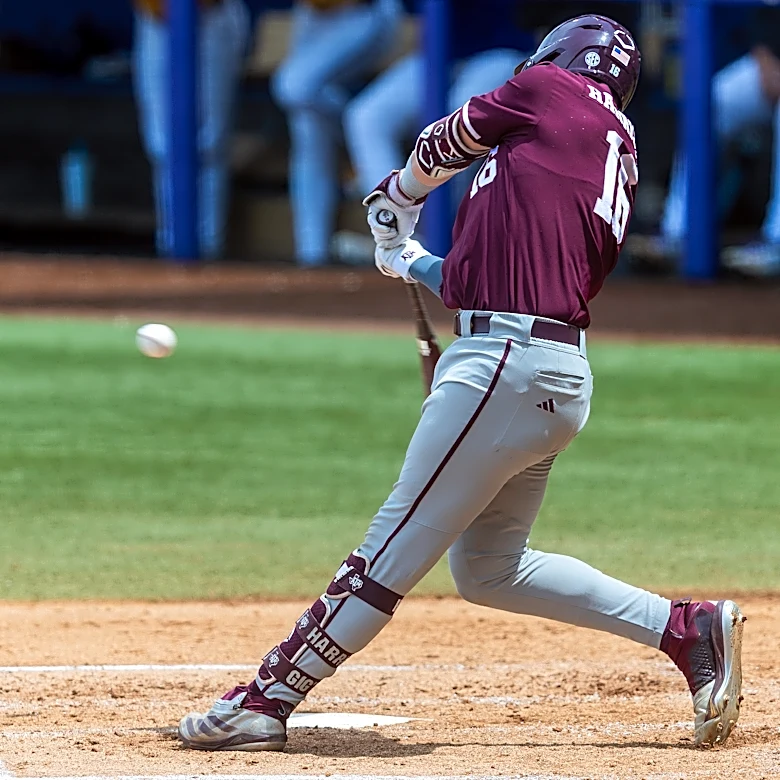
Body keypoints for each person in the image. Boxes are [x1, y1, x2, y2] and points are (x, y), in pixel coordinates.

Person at [178, 16, 746, 753]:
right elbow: (489, 280)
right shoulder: (609, 147)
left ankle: (266, 698)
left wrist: (399, 193)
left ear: (557, 58)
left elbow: (439, 141)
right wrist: (412, 260)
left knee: (388, 550)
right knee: (489, 568)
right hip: (550, 373)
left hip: (504, 366)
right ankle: (685, 629)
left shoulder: (546, 90)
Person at [343, 0, 528, 203]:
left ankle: (451, 229)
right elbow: (411, 9)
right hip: (440, 55)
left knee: (457, 124)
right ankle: (394, 223)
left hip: (503, 49)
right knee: (367, 117)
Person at [271, 0, 402, 268]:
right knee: (308, 126)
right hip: (314, 16)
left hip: (364, 12)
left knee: (295, 86)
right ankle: (311, 256)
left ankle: (357, 136)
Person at [651, 9, 780, 276]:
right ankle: (677, 234)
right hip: (774, 58)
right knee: (713, 100)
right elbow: (766, 12)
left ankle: (776, 242)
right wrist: (765, 56)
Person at [132, 0, 250, 260]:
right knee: (161, 143)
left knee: (209, 143)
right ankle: (170, 248)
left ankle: (209, 250)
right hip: (154, 19)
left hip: (212, 16)